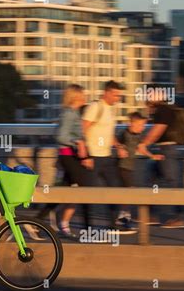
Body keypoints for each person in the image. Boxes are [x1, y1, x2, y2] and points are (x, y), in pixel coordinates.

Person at [82, 80, 133, 234]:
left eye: (119, 95)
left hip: (106, 156)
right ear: (106, 92)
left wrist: (118, 146)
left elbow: (108, 134)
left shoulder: (111, 110)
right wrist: (86, 155)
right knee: (88, 193)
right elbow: (82, 130)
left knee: (115, 188)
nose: (117, 98)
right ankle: (88, 229)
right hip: (93, 156)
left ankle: (112, 224)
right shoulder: (94, 107)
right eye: (115, 94)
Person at [137, 85, 184, 228]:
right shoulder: (163, 109)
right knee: (152, 180)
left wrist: (144, 143)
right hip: (163, 150)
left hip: (168, 150)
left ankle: (180, 218)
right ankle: (151, 215)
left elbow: (158, 129)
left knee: (174, 184)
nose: (146, 97)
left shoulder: (163, 109)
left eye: (148, 94)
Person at [54, 84, 92, 238]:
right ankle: (87, 230)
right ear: (75, 96)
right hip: (67, 156)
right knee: (81, 190)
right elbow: (60, 136)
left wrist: (85, 155)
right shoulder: (69, 113)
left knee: (66, 191)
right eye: (82, 94)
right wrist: (78, 142)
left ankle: (41, 222)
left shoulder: (75, 112)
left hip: (72, 156)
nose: (85, 97)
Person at [116, 112, 164, 227]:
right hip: (121, 167)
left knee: (128, 193)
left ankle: (124, 218)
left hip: (129, 168)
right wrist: (120, 148)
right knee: (130, 192)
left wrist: (152, 156)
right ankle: (122, 219)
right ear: (131, 124)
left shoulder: (138, 135)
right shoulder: (124, 134)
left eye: (143, 125)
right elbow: (115, 142)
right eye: (140, 125)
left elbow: (141, 148)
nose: (142, 128)